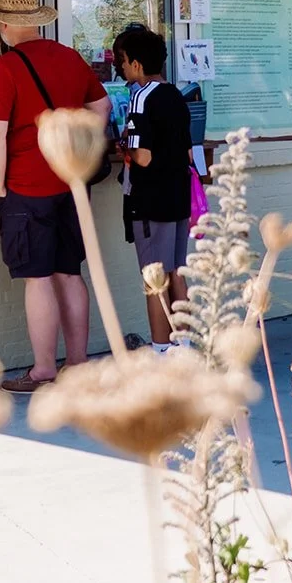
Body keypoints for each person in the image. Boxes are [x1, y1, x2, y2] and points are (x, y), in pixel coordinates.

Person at [0, 0, 112, 394]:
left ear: (2, 23)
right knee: (70, 273)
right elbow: (102, 106)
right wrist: (82, 147)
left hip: (27, 185)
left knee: (38, 278)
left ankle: (42, 369)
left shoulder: (6, 67)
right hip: (70, 182)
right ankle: (77, 363)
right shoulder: (70, 57)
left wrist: (0, 186)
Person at [113, 26, 193, 351]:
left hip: (151, 201)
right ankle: (183, 346)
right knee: (176, 273)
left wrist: (125, 149)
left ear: (135, 62)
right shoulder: (177, 94)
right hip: (178, 196)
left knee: (154, 279)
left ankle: (161, 350)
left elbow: (142, 157)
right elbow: (188, 150)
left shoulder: (140, 97)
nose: (120, 68)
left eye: (122, 60)